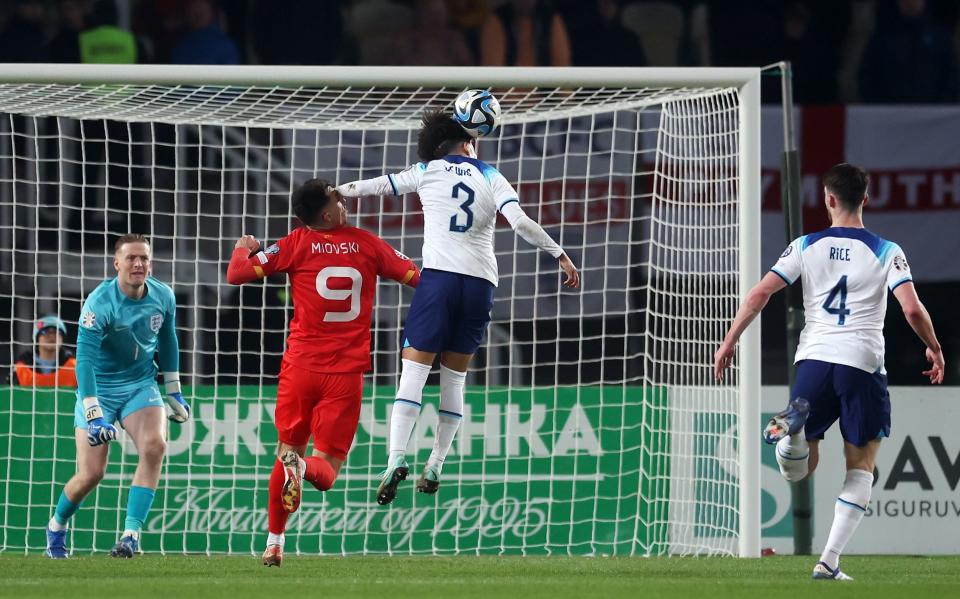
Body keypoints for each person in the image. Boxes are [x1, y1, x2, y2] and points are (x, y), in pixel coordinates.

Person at [336, 109, 580, 506]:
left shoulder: (427, 170)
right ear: (470, 141)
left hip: (439, 282)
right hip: (480, 285)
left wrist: (339, 192)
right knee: (454, 381)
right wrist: (560, 254)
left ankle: (396, 458)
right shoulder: (490, 174)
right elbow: (519, 224)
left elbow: (374, 187)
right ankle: (436, 463)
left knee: (413, 374)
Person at [714, 163, 945, 580]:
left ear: (828, 199)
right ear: (866, 199)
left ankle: (797, 431)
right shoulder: (887, 249)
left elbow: (761, 292)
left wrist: (730, 340)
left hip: (814, 361)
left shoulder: (806, 245)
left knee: (801, 468)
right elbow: (910, 308)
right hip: (862, 363)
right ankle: (829, 560)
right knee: (862, 465)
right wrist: (934, 346)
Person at [225, 179, 420, 567]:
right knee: (327, 471)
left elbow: (237, 275)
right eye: (337, 198)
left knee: (286, 455)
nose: (343, 201)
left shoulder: (295, 243)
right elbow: (418, 279)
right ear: (328, 213)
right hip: (344, 376)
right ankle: (300, 470)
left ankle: (274, 543)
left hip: (299, 368)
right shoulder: (366, 244)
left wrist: (243, 247)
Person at [44, 234, 190, 559]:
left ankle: (130, 536)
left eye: (144, 258)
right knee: (91, 473)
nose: (138, 264)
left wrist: (173, 389)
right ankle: (56, 525)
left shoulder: (163, 296)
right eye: (131, 258)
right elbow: (83, 361)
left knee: (155, 446)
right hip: (99, 388)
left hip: (140, 384)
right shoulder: (99, 303)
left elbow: (168, 340)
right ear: (117, 263)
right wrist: (94, 412)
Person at [14, 315, 78, 388]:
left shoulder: (75, 367)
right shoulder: (21, 369)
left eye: (56, 332)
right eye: (45, 332)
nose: (51, 336)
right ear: (36, 338)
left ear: (62, 338)